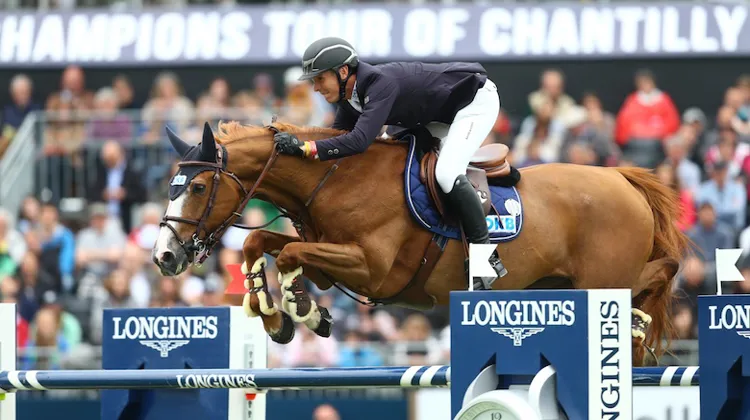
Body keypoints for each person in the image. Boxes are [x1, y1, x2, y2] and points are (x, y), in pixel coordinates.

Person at [272, 37, 507, 289]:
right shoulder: (348, 97)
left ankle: (485, 259)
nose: (316, 87)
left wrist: (305, 147)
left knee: (447, 173)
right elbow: (335, 139)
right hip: (435, 114)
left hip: (473, 103)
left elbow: (359, 141)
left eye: (320, 78)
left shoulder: (379, 84)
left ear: (343, 72)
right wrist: (296, 148)